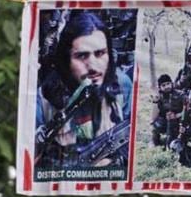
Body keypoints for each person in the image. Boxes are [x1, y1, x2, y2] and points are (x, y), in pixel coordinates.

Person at [35, 12, 128, 168]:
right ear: (66, 60)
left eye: (100, 53)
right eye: (82, 56)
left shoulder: (122, 84)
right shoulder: (44, 97)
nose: (93, 66)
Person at [151, 74, 186, 148]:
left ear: (172, 84)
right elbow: (153, 118)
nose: (167, 87)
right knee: (156, 124)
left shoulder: (180, 94)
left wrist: (177, 116)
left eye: (168, 84)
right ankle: (155, 143)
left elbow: (188, 110)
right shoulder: (160, 97)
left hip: (179, 120)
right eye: (163, 85)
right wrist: (155, 102)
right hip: (166, 120)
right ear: (160, 87)